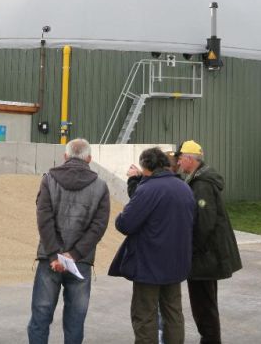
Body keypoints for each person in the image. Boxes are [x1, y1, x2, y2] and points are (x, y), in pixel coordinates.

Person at [109, 147, 195, 344]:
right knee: (173, 314)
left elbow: (125, 224)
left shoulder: (147, 189)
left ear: (146, 167)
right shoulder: (184, 188)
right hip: (177, 263)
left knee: (145, 314)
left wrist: (134, 184)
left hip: (149, 264)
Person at [28, 138, 110, 344]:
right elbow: (98, 226)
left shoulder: (49, 179)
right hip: (80, 262)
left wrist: (55, 253)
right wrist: (73, 255)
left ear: (65, 157)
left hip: (50, 260)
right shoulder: (100, 186)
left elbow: (44, 219)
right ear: (89, 159)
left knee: (41, 315)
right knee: (75, 320)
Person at [176, 140, 242, 344]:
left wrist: (192, 250)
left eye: (180, 158)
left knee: (204, 305)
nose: (178, 162)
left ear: (189, 158)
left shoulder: (202, 185)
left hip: (205, 258)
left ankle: (211, 340)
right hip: (207, 255)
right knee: (206, 304)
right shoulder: (199, 179)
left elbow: (204, 222)